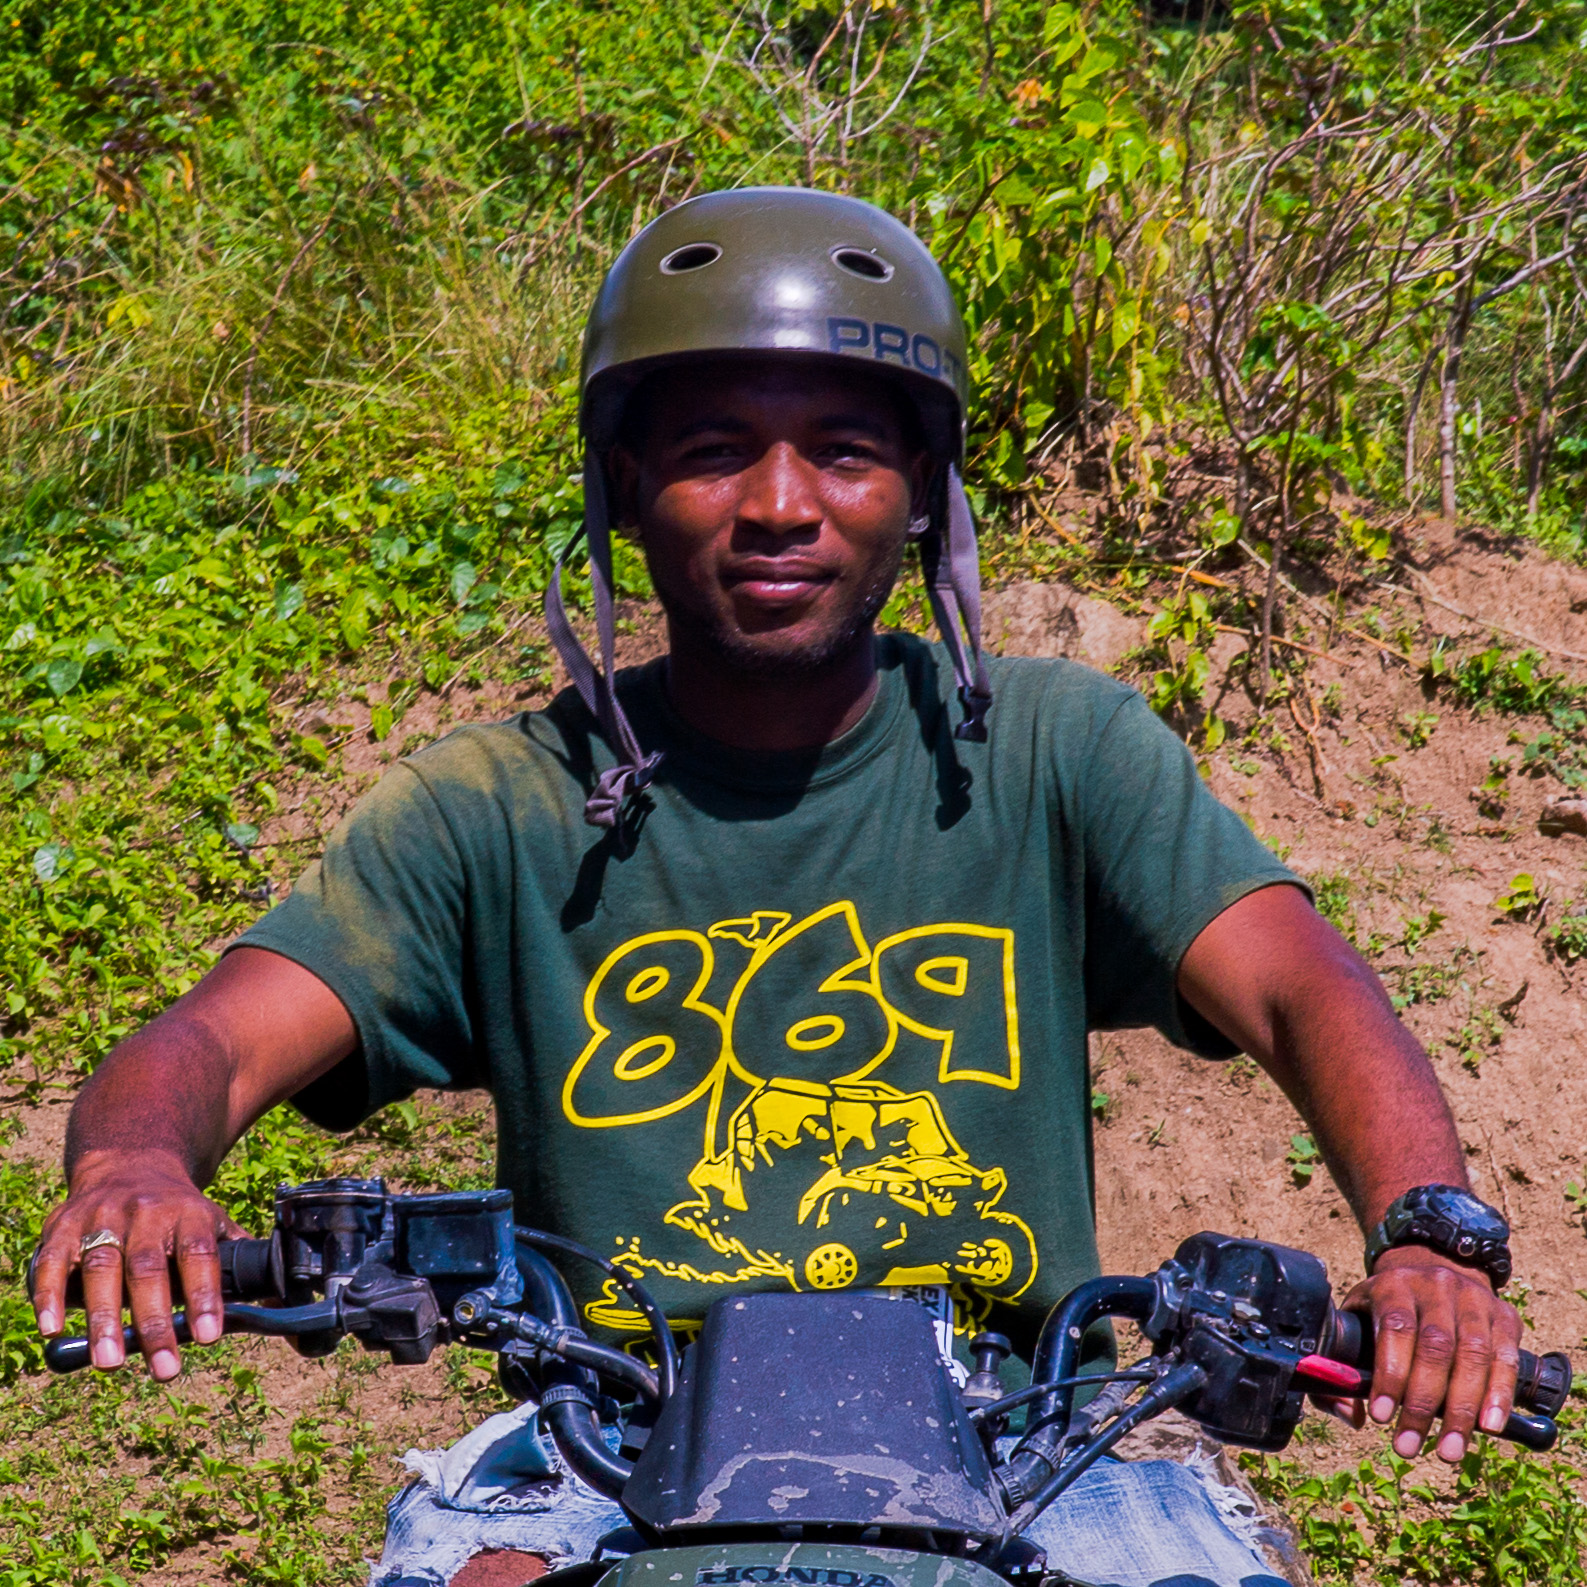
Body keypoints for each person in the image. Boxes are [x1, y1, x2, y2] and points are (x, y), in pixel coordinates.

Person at [33, 189, 1523, 1587]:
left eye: (844, 451)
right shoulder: (492, 806)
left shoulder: (1055, 752)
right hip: (602, 1438)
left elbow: (1297, 979)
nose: (780, 504)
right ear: (627, 488)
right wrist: (133, 1170)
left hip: (1033, 1436)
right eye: (713, 448)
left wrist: (1428, 1235)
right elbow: (216, 1040)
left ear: (922, 491)